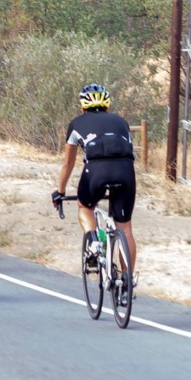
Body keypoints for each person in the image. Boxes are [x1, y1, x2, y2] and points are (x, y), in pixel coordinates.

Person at [51, 84, 137, 279]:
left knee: (85, 207)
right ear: (107, 107)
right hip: (125, 171)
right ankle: (127, 280)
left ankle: (94, 241)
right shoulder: (121, 122)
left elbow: (68, 163)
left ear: (82, 107)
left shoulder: (76, 123)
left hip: (96, 171)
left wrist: (60, 191)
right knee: (125, 227)